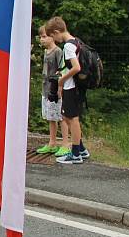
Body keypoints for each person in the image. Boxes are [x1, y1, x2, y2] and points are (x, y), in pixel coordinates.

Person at [46, 16, 90, 164]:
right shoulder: (75, 41)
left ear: (57, 31)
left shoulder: (68, 46)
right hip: (73, 86)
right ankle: (82, 149)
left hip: (72, 86)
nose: (55, 39)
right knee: (67, 117)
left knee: (73, 119)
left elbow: (76, 67)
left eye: (53, 36)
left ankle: (76, 153)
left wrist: (62, 80)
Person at [36, 25, 67, 155]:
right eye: (40, 37)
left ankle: (65, 144)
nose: (41, 39)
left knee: (61, 117)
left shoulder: (58, 51)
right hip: (46, 89)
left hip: (56, 90)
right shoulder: (45, 52)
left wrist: (60, 87)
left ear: (52, 37)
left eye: (44, 37)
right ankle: (52, 143)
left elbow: (62, 70)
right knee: (50, 117)